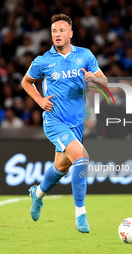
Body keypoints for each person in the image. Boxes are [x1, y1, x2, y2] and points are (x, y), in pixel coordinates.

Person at [21, 13, 106, 233]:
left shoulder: (85, 55)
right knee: (81, 156)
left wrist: (93, 79)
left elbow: (103, 80)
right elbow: (26, 82)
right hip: (54, 120)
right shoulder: (43, 61)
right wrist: (40, 100)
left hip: (77, 121)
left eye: (61, 31)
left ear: (70, 33)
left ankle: (38, 194)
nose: (57, 35)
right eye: (53, 31)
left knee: (61, 166)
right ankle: (80, 214)